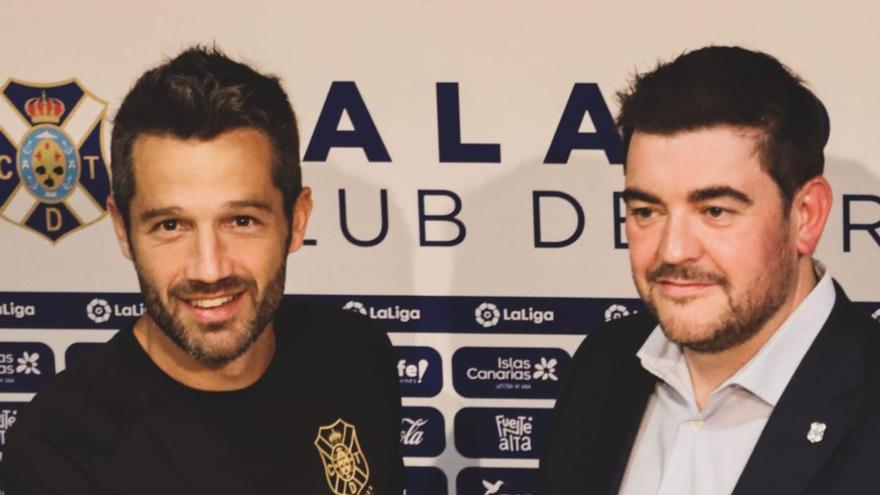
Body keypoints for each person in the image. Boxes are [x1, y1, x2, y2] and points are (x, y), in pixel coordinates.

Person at [4, 47, 405, 495]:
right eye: (171, 225)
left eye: (242, 221)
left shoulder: (356, 357)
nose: (209, 268)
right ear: (123, 229)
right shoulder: (60, 449)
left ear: (298, 219)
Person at [539, 46, 880, 495]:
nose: (674, 250)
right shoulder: (604, 366)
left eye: (715, 210)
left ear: (806, 215)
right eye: (646, 211)